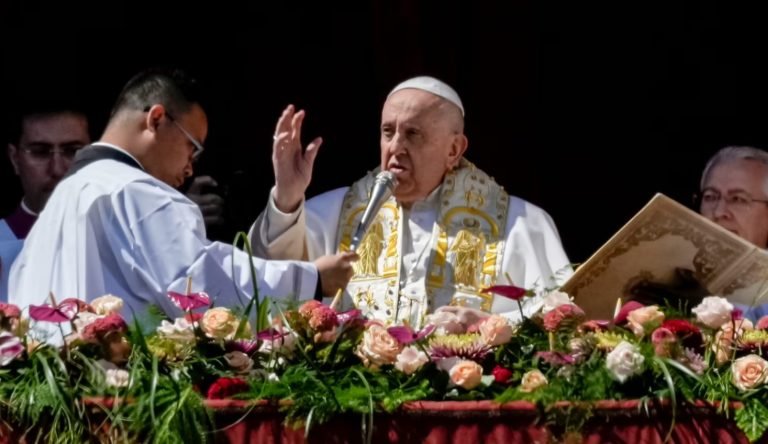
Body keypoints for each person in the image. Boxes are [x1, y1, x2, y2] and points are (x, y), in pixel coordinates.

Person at [9, 68, 357, 322]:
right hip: (119, 404)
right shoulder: (137, 192)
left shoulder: (58, 203)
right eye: (193, 149)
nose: (190, 169)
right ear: (156, 119)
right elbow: (198, 284)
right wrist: (310, 279)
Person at [250, 76, 572, 328]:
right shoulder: (333, 213)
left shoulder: (522, 224)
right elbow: (267, 283)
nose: (395, 147)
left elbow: (561, 319)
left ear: (454, 150)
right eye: (388, 132)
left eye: (413, 134)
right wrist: (288, 198)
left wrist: (489, 325)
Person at [1, 105, 90, 301]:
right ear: (15, 159)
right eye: (40, 152)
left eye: (72, 151)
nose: (57, 169)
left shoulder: (117, 243)